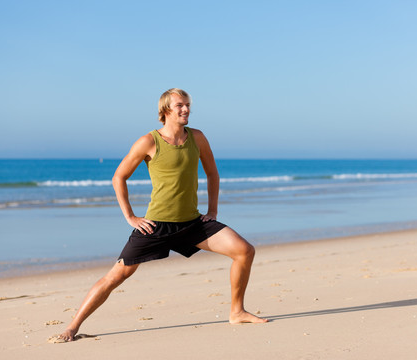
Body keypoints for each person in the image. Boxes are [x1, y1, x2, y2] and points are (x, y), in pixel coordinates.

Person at [58, 88, 267, 342]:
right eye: (180, 105)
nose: (186, 109)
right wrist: (131, 217)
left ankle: (237, 311)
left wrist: (212, 211)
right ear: (165, 110)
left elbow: (213, 173)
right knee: (117, 275)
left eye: (188, 105)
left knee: (244, 251)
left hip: (192, 223)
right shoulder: (148, 142)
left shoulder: (197, 137)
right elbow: (118, 177)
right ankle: (72, 327)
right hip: (156, 226)